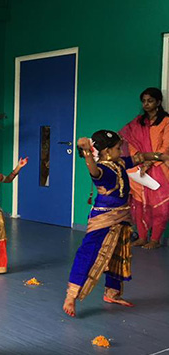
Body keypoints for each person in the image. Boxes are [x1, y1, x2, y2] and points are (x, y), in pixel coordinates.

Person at [62, 130, 169, 317]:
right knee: (88, 254)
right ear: (107, 151)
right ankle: (71, 296)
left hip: (122, 217)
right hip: (103, 218)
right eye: (118, 148)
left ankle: (112, 293)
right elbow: (93, 171)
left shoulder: (119, 163)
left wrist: (161, 156)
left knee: (117, 254)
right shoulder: (104, 170)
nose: (122, 151)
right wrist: (87, 153)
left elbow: (141, 157)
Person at [119, 87, 169, 249]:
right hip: (139, 169)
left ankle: (155, 239)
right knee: (139, 203)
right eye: (144, 101)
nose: (146, 104)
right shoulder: (138, 122)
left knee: (160, 205)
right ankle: (142, 236)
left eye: (150, 101)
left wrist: (149, 162)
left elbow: (165, 148)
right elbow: (130, 142)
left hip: (160, 168)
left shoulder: (166, 121)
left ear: (158, 102)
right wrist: (140, 160)